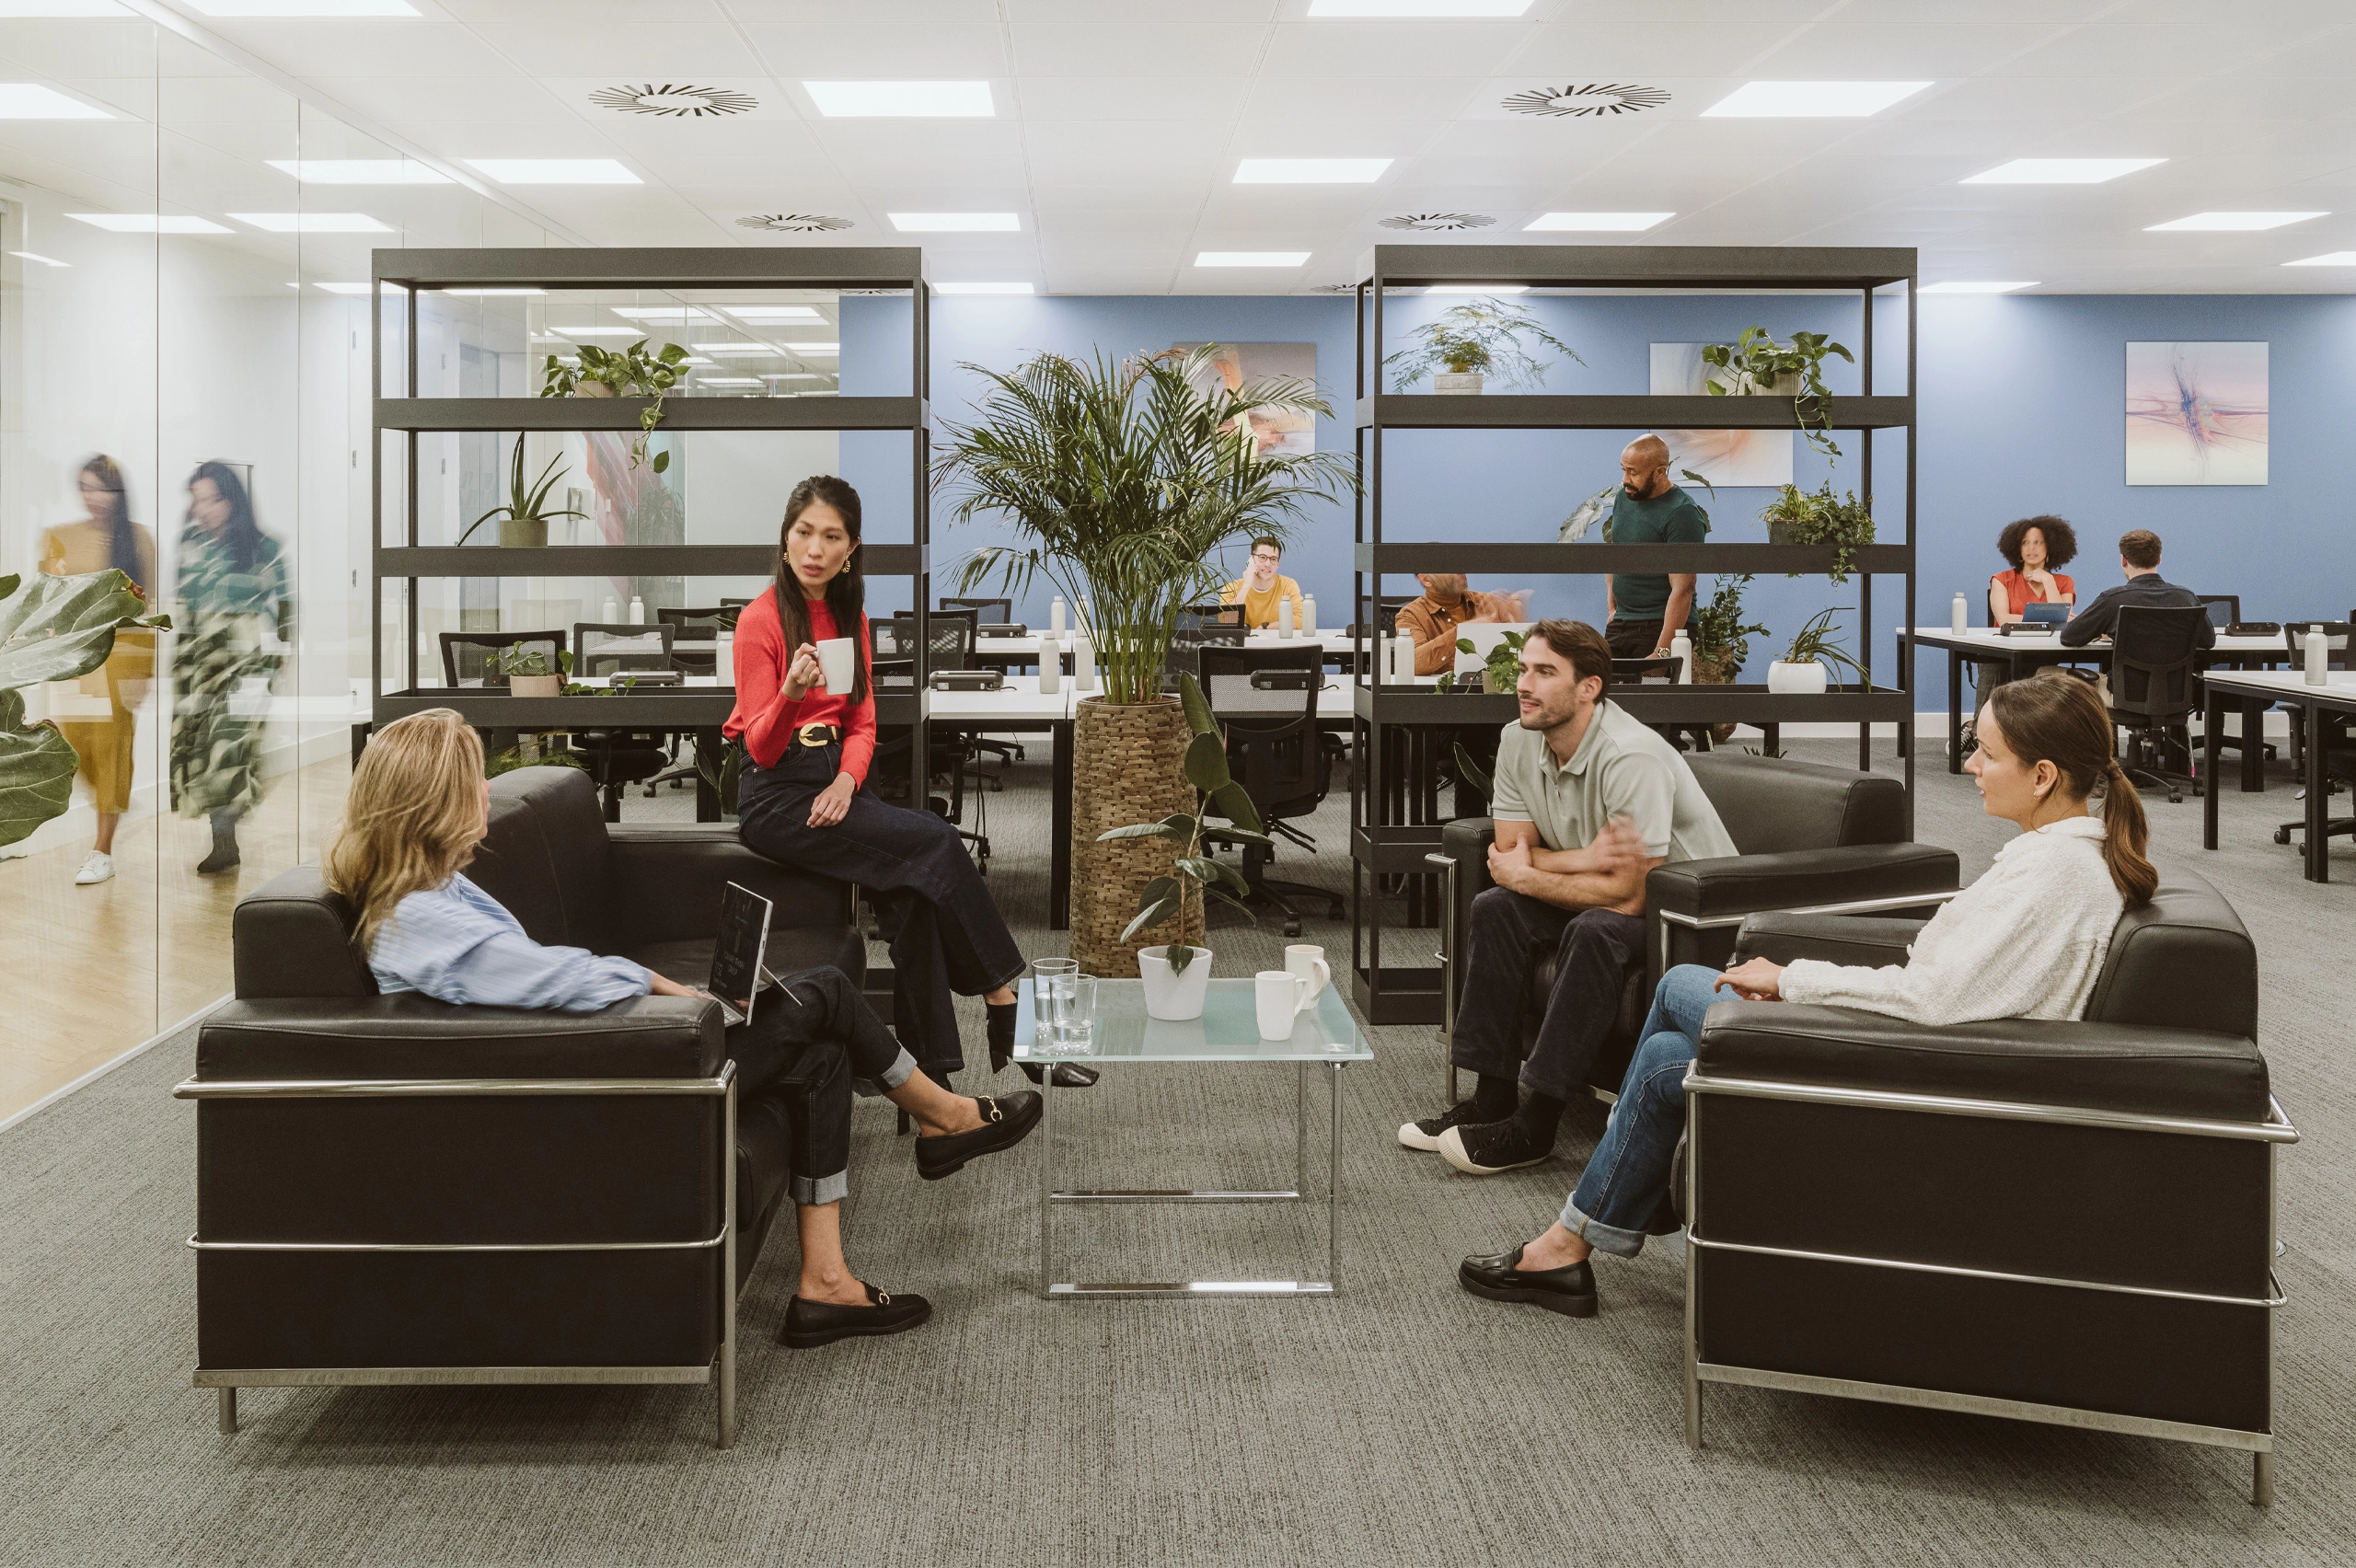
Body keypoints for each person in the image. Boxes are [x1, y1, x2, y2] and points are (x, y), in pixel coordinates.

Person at [327, 709, 1041, 1346]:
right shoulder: (419, 921)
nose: (486, 794)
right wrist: (670, 991)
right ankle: (944, 1118)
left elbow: (543, 977)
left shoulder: (429, 886)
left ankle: (825, 1286)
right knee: (823, 992)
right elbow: (558, 982)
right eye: (472, 784)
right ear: (433, 805)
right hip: (612, 1069)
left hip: (609, 1044)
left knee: (821, 1054)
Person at [1457, 670, 2155, 1318]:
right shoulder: (2058, 859)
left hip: (1916, 1066)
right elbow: (1949, 987)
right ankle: (1583, 1231)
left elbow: (1932, 1001)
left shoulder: (2053, 875)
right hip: (1923, 1047)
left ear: (2042, 775)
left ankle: (1590, 1219)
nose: (1970, 764)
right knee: (1672, 1059)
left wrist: (1792, 981)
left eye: (1987, 753)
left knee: (1678, 987)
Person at [726, 475, 1095, 1090]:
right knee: (936, 840)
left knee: (918, 901)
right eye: (804, 533)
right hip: (778, 795)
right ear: (786, 540)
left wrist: (847, 779)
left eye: (831, 537)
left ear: (851, 550)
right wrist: (791, 694)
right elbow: (761, 750)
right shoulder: (759, 622)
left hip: (835, 781)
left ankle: (930, 1086)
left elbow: (864, 723)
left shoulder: (849, 618)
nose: (815, 548)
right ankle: (1011, 1011)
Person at [1397, 618, 1736, 1175]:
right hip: (1609, 891)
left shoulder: (1632, 756)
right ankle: (1491, 1100)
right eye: (1525, 669)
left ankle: (1538, 1124)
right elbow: (1510, 850)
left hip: (1687, 913)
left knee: (1594, 928)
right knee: (1496, 908)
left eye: (1545, 672)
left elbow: (1629, 896)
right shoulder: (1517, 738)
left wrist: (1531, 874)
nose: (1524, 684)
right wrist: (1580, 859)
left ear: (1589, 688)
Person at [40, 455, 156, 886]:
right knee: (76, 750)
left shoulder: (138, 539)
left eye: (101, 488)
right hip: (74, 662)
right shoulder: (58, 537)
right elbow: (45, 604)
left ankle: (102, 849)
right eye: (85, 487)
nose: (93, 497)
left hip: (120, 658)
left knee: (111, 751)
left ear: (118, 493)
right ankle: (115, 798)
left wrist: (145, 669)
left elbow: (146, 607)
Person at [170, 461, 290, 876]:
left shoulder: (262, 546)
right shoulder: (189, 543)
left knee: (229, 743)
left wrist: (285, 651)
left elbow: (286, 602)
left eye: (213, 499)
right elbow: (181, 603)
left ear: (232, 500)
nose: (203, 508)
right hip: (197, 660)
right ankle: (224, 838)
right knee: (202, 750)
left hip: (246, 662)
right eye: (197, 500)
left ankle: (226, 832)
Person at [1603, 435, 1709, 662]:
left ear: (1660, 472)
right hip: (1621, 625)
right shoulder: (1624, 497)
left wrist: (1662, 653)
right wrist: (1612, 609)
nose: (1625, 479)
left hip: (1660, 629)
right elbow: (1615, 553)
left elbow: (1684, 589)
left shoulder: (1682, 513)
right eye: (1623, 469)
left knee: (1653, 692)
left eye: (1633, 472)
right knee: (1607, 694)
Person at [2059, 528, 2214, 651]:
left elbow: (2068, 637)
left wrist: (2103, 630)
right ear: (2159, 558)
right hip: (2178, 689)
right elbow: (2208, 641)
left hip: (2124, 689)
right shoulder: (2186, 598)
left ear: (2124, 560)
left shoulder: (2113, 599)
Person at [1396, 573, 1530, 677]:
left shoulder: (1487, 603)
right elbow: (1413, 664)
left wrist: (1519, 624)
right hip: (1439, 700)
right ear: (1426, 580)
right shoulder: (1410, 615)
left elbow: (1520, 658)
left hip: (1488, 696)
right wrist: (1464, 631)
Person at [1218, 536, 1304, 630]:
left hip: (1277, 643)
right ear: (1251, 559)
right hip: (1243, 644)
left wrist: (1265, 628)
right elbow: (1227, 622)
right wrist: (1246, 585)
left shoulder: (1288, 585)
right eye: (1262, 557)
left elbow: (1301, 619)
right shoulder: (1231, 588)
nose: (1267, 564)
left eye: (1273, 559)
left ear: (1278, 564)